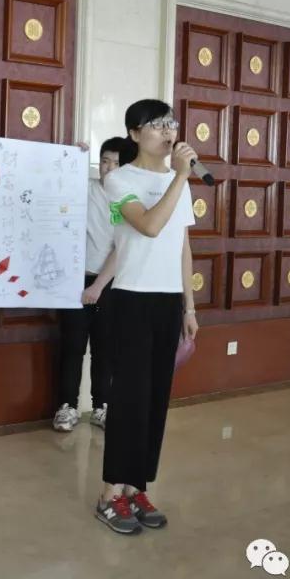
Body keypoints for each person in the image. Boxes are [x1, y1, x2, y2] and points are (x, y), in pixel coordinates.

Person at [95, 99, 200, 534]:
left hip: (167, 301)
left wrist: (189, 306)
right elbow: (150, 226)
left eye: (170, 123)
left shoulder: (179, 181)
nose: (167, 131)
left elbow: (182, 246)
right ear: (135, 134)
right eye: (156, 125)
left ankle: (136, 487)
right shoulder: (119, 180)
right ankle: (109, 494)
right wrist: (180, 177)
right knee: (129, 400)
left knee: (156, 399)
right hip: (132, 301)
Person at [52, 137, 137, 432]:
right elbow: (55, 179)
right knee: (72, 346)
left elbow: (122, 249)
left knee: (105, 349)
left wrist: (98, 287)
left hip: (110, 283)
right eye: (104, 161)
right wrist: (73, 155)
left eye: (116, 163)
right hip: (75, 282)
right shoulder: (84, 188)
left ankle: (102, 406)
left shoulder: (128, 201)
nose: (109, 168)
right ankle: (67, 407)